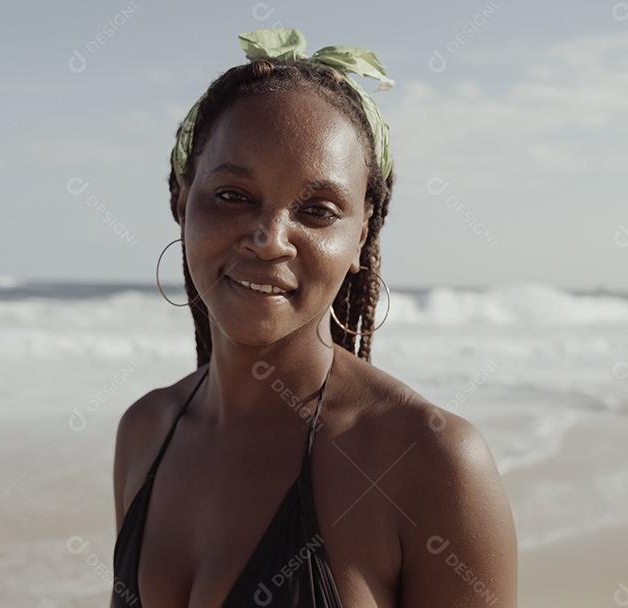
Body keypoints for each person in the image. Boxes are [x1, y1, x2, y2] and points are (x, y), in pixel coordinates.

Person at [112, 28, 517, 607]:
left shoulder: (429, 460)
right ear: (182, 200)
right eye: (233, 195)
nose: (269, 240)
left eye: (317, 210)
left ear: (362, 234)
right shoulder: (146, 432)